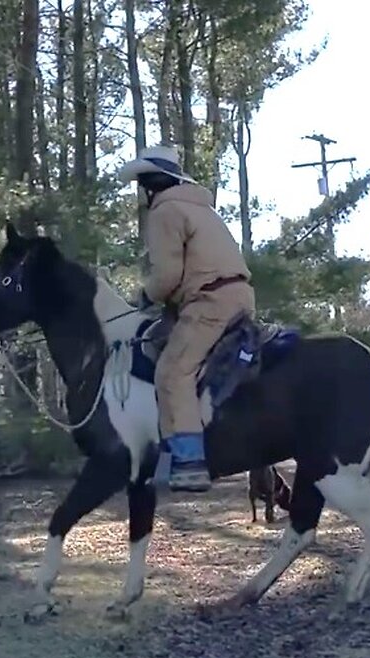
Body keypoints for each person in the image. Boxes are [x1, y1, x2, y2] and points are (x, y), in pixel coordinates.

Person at [118, 146, 256, 492]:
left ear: (152, 186)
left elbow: (167, 275)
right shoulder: (201, 209)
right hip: (239, 297)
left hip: (208, 302)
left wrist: (147, 295)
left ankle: (190, 462)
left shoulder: (165, 211)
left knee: (172, 371)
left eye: (143, 186)